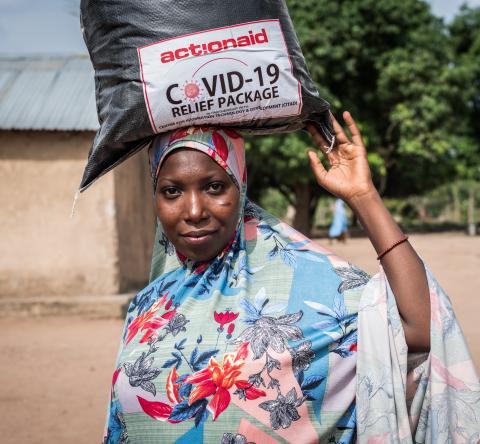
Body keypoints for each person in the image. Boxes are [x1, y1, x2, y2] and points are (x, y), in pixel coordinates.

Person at [103, 113, 480, 443]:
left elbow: (419, 325)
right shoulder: (147, 307)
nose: (195, 210)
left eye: (214, 186)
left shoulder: (301, 286)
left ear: (241, 187)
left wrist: (364, 196)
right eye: (172, 191)